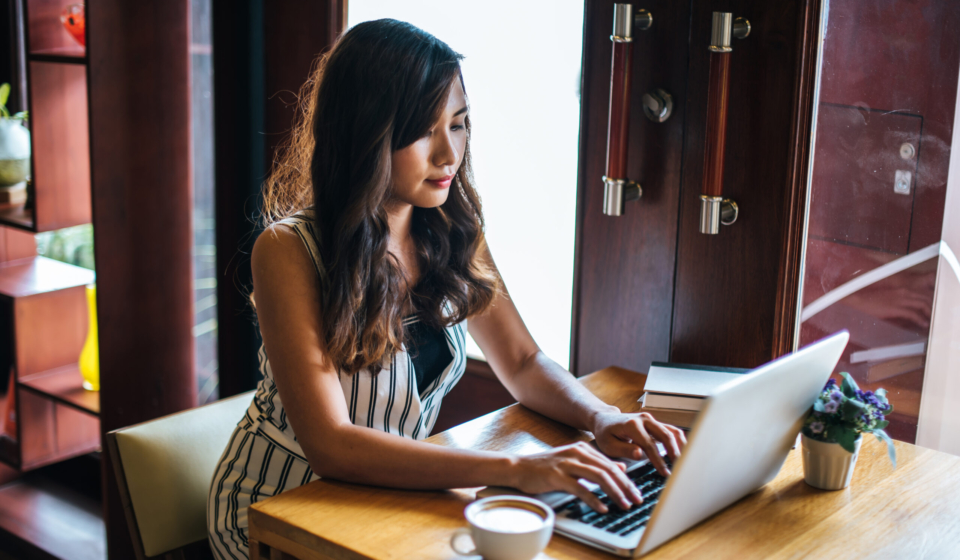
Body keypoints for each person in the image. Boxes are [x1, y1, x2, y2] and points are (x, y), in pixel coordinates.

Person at [207, 19, 686, 559]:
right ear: (365, 133)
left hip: (385, 496)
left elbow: (523, 360)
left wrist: (602, 418)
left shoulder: (452, 228)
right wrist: (517, 469)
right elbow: (332, 445)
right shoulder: (289, 250)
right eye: (422, 131)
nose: (448, 154)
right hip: (281, 508)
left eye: (458, 125)